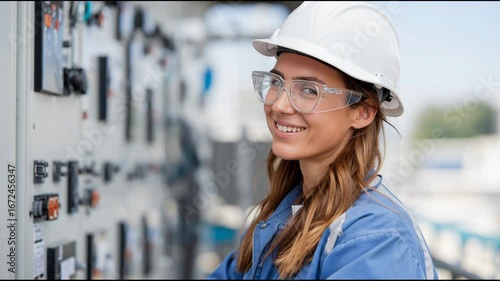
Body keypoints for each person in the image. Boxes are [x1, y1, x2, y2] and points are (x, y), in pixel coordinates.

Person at [207, 1, 439, 279]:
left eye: (308, 90)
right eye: (277, 83)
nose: (280, 105)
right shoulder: (286, 213)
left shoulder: (375, 241)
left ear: (363, 111)